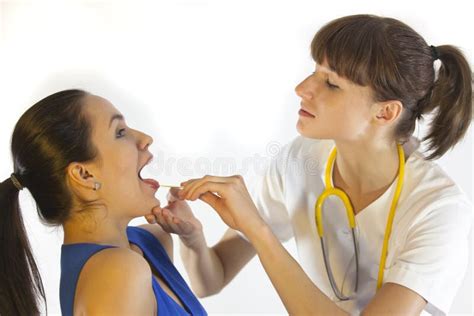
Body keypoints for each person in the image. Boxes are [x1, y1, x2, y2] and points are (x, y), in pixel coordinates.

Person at [147, 14, 473, 315]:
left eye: (331, 83)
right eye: (315, 71)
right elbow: (210, 281)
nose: (302, 89)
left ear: (385, 112)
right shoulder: (299, 159)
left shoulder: (439, 210)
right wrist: (192, 239)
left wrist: (258, 230)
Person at [0, 89, 207, 315]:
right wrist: (251, 226)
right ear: (84, 175)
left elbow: (213, 277)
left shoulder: (150, 241)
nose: (146, 139)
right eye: (120, 132)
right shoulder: (118, 275)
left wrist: (196, 236)